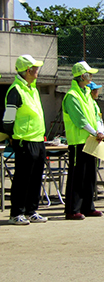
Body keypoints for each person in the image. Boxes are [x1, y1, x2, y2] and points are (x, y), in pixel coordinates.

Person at [3, 55, 47, 225]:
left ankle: (31, 211)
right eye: (35, 68)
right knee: (22, 178)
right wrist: (13, 137)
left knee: (36, 177)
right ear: (28, 70)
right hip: (24, 141)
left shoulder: (33, 89)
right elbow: (8, 120)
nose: (37, 71)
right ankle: (16, 213)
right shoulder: (15, 90)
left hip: (38, 140)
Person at [62, 62, 104, 220]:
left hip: (92, 140)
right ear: (82, 76)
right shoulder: (72, 96)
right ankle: (73, 209)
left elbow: (96, 115)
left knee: (90, 175)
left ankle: (88, 206)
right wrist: (96, 132)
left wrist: (99, 130)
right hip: (78, 142)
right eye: (89, 74)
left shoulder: (87, 94)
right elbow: (80, 120)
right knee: (77, 176)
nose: (91, 77)